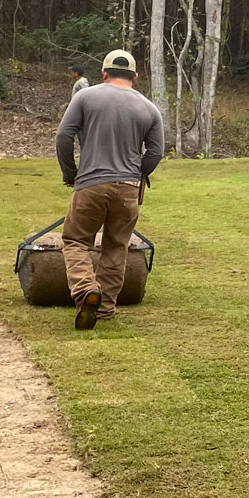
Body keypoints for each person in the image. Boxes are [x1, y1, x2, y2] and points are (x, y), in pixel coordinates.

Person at [55, 50, 164, 330]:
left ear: (104, 73)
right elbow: (156, 152)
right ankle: (103, 310)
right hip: (128, 189)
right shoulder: (149, 108)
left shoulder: (85, 96)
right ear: (135, 77)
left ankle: (85, 290)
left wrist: (71, 173)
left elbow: (64, 136)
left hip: (91, 183)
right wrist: (139, 174)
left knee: (76, 241)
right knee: (116, 247)